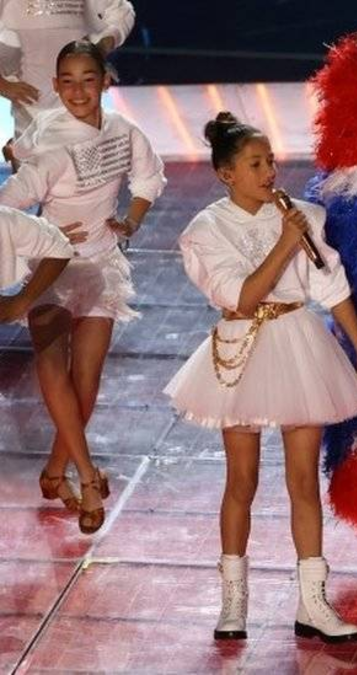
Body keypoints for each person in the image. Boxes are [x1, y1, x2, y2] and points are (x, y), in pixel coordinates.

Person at [164, 112, 357, 643]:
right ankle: (234, 600)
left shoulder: (301, 215)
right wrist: (285, 242)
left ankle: (313, 602)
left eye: (271, 162)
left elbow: (331, 286)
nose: (269, 173)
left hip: (298, 345)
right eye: (255, 164)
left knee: (303, 482)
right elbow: (241, 298)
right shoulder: (207, 230)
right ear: (226, 174)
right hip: (241, 352)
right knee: (242, 480)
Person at [0, 39, 163, 534]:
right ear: (55, 85)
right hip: (53, 269)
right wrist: (43, 233)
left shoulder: (124, 131)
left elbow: (148, 179)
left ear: (105, 81)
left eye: (87, 80)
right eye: (67, 82)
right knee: (53, 368)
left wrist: (130, 222)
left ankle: (55, 471)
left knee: (85, 381)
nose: (77, 91)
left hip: (101, 265)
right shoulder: (50, 140)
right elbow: (9, 193)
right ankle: (88, 476)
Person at [0, 0, 135, 153]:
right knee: (32, 163)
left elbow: (122, 12)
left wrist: (103, 46)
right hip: (31, 111)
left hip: (81, 108)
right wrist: (4, 85)